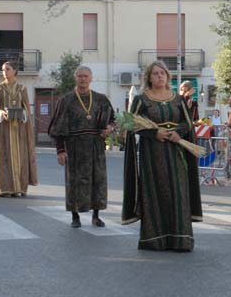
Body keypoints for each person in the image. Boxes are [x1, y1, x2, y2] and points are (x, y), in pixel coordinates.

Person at [122, 60, 202, 251]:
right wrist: (153, 133)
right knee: (155, 193)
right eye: (155, 73)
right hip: (152, 155)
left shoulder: (179, 100)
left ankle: (180, 239)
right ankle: (155, 239)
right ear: (149, 77)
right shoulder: (141, 100)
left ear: (168, 76)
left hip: (176, 152)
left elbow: (187, 123)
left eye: (162, 73)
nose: (159, 76)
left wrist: (178, 134)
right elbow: (131, 125)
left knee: (178, 191)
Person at [49, 66, 115, 228]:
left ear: (91, 78)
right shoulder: (66, 100)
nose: (83, 79)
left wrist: (110, 128)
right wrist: (60, 150)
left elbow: (113, 119)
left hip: (96, 146)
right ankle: (75, 216)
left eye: (86, 76)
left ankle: (96, 215)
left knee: (97, 180)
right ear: (75, 78)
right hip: (74, 146)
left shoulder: (101, 99)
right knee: (75, 181)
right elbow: (57, 127)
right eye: (80, 76)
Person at [0, 61, 37, 197]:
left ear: (14, 71)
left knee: (20, 157)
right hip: (3, 130)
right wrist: (1, 114)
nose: (4, 72)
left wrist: (22, 114)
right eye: (3, 69)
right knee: (4, 157)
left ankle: (19, 188)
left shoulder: (22, 89)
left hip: (19, 130)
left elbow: (26, 109)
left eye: (7, 69)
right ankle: (4, 187)